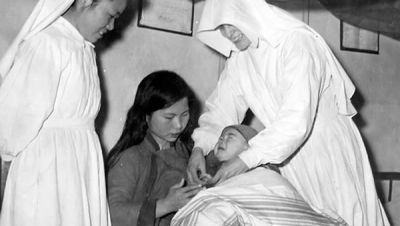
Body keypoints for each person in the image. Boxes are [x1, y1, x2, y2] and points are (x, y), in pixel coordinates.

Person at [186, 0, 389, 225]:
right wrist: (199, 148)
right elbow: (221, 111)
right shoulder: (239, 60)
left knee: (349, 215)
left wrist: (246, 159)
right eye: (221, 27)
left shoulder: (297, 42)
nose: (227, 33)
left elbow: (296, 119)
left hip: (327, 150)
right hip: (288, 156)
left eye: (230, 23)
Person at [0, 0, 127, 225]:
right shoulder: (47, 43)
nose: (112, 27)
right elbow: (15, 119)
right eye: (110, 16)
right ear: (86, 2)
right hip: (47, 171)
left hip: (77, 167)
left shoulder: (83, 48)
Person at [173, 124, 347, 226]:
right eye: (220, 138)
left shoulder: (266, 177)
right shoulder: (220, 181)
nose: (221, 140)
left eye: (230, 136)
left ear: (248, 147)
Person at [107, 71, 203, 226]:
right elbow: (112, 212)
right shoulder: (130, 158)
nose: (179, 125)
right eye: (169, 117)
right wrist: (165, 205)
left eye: (184, 114)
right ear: (146, 115)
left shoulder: (189, 152)